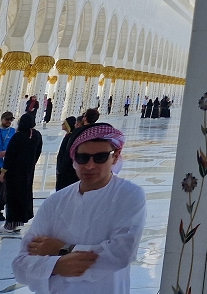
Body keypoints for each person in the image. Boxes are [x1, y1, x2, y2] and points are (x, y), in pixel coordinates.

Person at [12, 123, 146, 293]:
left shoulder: (129, 195)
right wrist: (56, 266)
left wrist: (61, 249)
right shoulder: (55, 202)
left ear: (115, 156)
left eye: (100, 157)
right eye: (83, 158)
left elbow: (120, 254)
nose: (89, 166)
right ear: (74, 159)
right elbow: (21, 264)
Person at [0, 113, 43, 233]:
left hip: (14, 172)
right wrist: (31, 163)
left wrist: (4, 171)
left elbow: (10, 155)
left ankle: (10, 223)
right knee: (24, 194)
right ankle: (19, 221)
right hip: (28, 171)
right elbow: (38, 151)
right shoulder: (37, 135)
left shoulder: (18, 136)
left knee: (13, 196)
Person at [0, 111, 16, 222]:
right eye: (7, 119)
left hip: (6, 165)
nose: (9, 121)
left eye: (11, 120)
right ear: (2, 119)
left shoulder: (13, 132)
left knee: (2, 189)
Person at [54, 117, 79, 191]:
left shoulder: (70, 137)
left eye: (64, 123)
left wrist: (61, 167)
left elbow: (66, 154)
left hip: (66, 169)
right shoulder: (68, 136)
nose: (62, 125)